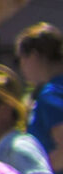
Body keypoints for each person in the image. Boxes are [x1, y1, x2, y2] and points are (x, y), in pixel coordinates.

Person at [19, 23, 63, 158]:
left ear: (33, 56)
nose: (21, 67)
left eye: (20, 59)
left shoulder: (51, 94)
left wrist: (36, 170)